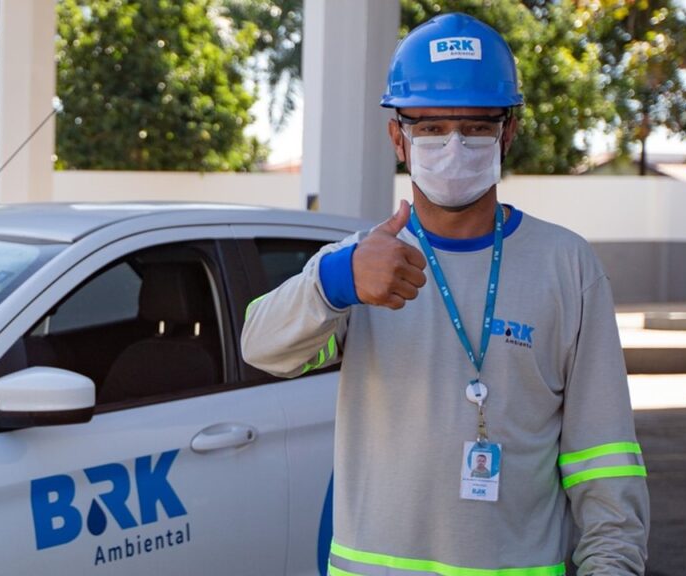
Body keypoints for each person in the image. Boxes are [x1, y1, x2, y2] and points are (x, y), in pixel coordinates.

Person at [241, 12, 649, 575]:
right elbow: (261, 348)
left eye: (476, 127)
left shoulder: (566, 267)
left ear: (508, 132)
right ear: (398, 137)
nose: (453, 145)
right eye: (430, 127)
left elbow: (604, 461)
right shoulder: (360, 264)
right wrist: (337, 283)